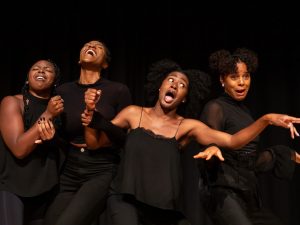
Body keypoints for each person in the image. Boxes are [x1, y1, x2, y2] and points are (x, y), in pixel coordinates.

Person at [81, 59, 300, 225]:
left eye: (182, 84)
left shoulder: (187, 126)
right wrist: (90, 116)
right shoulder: (132, 113)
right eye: (171, 80)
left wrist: (266, 120)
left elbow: (233, 141)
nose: (175, 85)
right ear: (160, 87)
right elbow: (95, 144)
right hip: (125, 198)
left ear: (184, 97)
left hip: (164, 208)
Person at [198, 48, 300, 225]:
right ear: (222, 80)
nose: (241, 83)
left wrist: (287, 155)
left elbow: (249, 160)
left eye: (246, 76)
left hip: (247, 190)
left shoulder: (245, 113)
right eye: (234, 77)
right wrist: (212, 148)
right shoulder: (215, 107)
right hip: (222, 191)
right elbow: (211, 141)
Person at [43, 40, 132, 225]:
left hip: (101, 167)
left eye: (98, 47)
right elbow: (62, 137)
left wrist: (100, 122)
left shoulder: (117, 90)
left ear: (105, 64)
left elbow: (125, 137)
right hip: (70, 167)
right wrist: (52, 138)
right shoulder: (63, 91)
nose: (91, 47)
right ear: (78, 59)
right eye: (86, 45)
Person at [0, 59, 64, 225]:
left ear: (55, 80)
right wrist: (48, 114)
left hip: (46, 188)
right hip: (13, 186)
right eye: (36, 68)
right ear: (28, 78)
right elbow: (19, 149)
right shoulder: (12, 102)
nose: (41, 71)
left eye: (47, 69)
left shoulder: (59, 109)